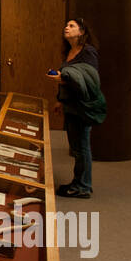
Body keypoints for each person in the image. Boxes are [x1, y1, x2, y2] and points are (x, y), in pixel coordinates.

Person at [47, 18, 106, 198]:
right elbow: (69, 79)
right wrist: (60, 100)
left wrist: (62, 79)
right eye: (66, 25)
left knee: (82, 146)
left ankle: (83, 186)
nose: (67, 27)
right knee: (76, 147)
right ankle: (78, 182)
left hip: (82, 106)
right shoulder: (69, 52)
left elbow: (89, 81)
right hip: (70, 106)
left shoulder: (88, 52)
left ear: (81, 32)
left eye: (72, 26)